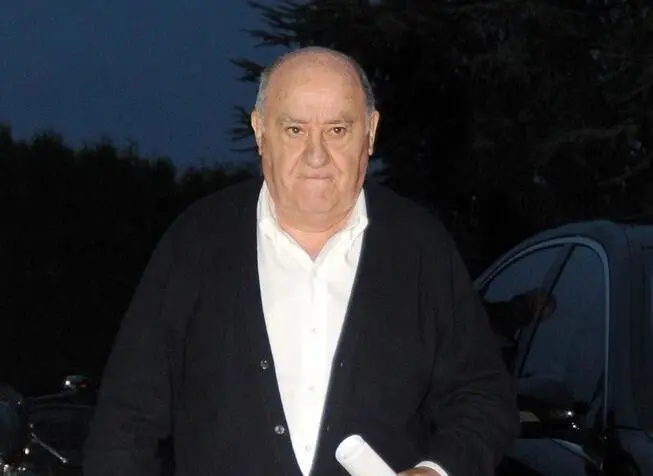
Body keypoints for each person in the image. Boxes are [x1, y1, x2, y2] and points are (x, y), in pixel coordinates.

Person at [84, 46, 519, 476]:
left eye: (337, 130)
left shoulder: (419, 247)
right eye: (294, 130)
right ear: (260, 131)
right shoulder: (196, 243)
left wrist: (436, 470)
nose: (316, 156)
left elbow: (482, 397)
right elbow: (126, 419)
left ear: (370, 132)